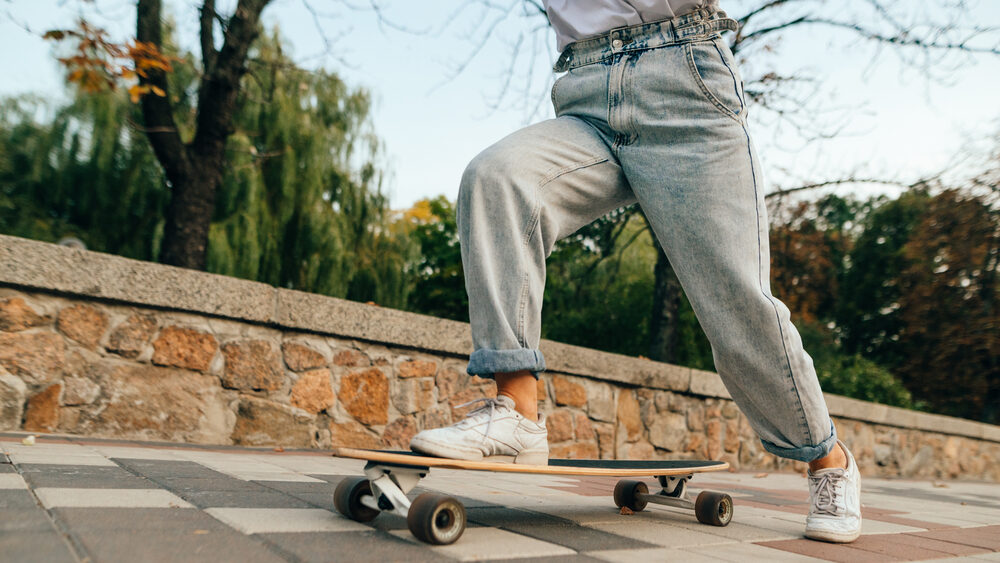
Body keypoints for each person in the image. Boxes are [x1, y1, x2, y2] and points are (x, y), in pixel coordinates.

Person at [409, 0, 862, 544]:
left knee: (736, 305)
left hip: (687, 88)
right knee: (498, 179)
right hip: (587, 91)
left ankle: (827, 458)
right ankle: (518, 412)